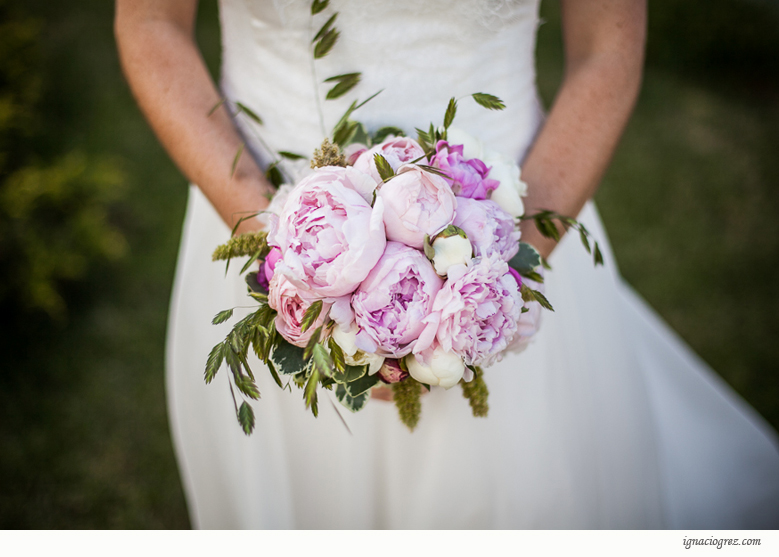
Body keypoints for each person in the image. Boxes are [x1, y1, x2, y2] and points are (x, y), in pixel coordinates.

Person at [115, 0, 779, 528]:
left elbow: (606, 51)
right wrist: (290, 260)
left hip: (513, 227)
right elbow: (150, 22)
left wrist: (494, 275)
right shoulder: (280, 260)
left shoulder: (502, 262)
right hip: (260, 226)